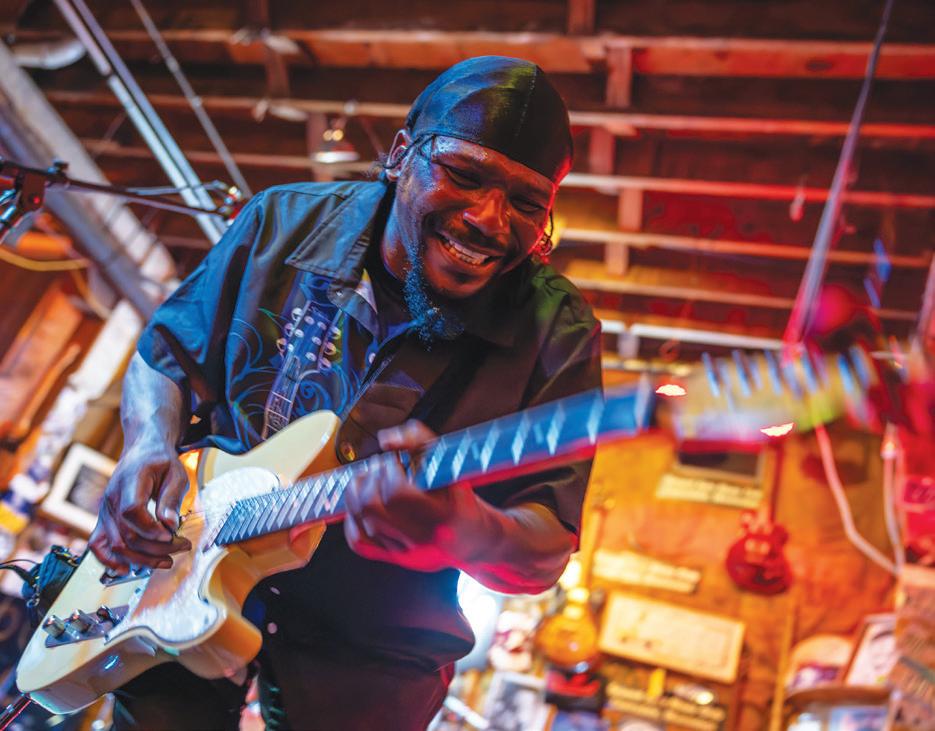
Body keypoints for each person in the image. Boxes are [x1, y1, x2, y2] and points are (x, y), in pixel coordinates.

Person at [89, 56, 602, 730]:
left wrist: (465, 529)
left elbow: (544, 549)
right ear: (400, 154)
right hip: (183, 572)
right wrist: (146, 443)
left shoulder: (558, 333)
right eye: (463, 174)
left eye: (527, 203)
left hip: (372, 657)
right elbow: (166, 355)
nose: (488, 219)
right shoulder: (281, 222)